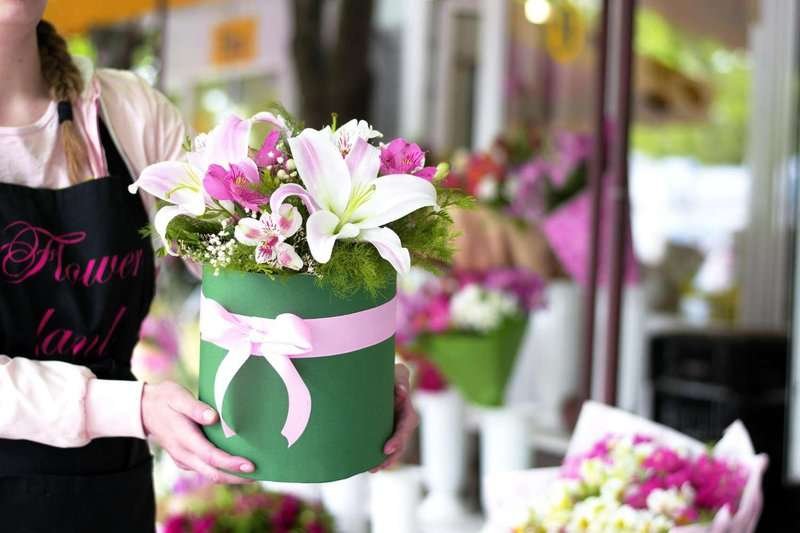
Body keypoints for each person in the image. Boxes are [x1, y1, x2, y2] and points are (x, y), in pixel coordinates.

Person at [0, 2, 418, 531]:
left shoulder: (126, 111)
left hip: (106, 492)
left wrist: (356, 368)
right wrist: (132, 408)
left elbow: (241, 265)